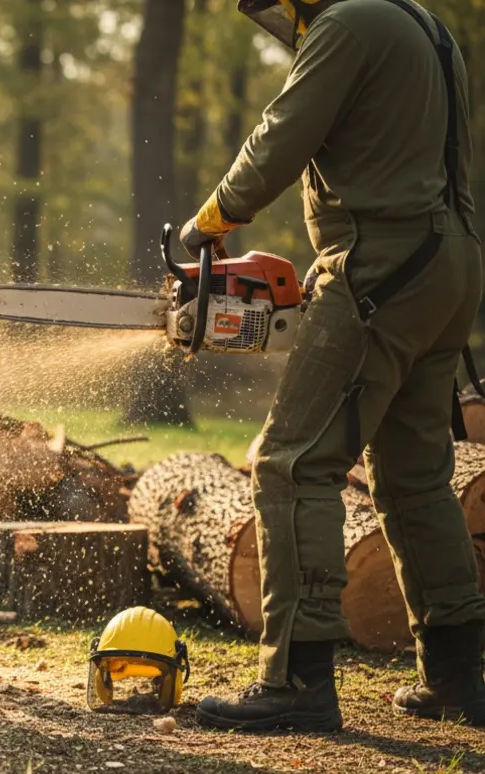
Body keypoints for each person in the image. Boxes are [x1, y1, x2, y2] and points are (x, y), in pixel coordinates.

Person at [179, 0, 485, 732]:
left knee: (292, 463)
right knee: (414, 475)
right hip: (449, 265)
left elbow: (281, 136)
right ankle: (459, 676)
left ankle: (296, 679)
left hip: (380, 263)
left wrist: (211, 219)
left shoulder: (347, 25)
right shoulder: (428, 27)